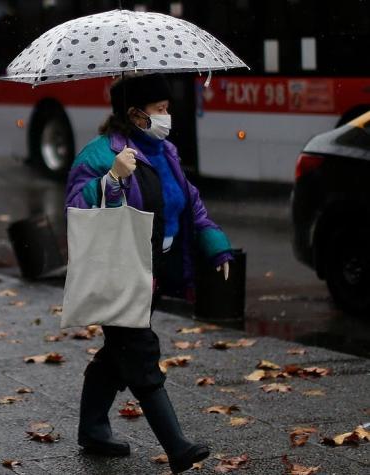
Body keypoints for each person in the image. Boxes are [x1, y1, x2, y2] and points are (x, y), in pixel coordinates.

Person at [64, 74, 232, 474]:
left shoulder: (165, 151)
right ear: (136, 114)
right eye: (160, 110)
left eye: (167, 109)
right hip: (119, 271)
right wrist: (113, 178)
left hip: (152, 271)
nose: (167, 116)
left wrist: (214, 244)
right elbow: (76, 207)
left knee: (117, 353)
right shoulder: (101, 154)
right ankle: (177, 447)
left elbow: (190, 202)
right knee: (139, 353)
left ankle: (92, 429)